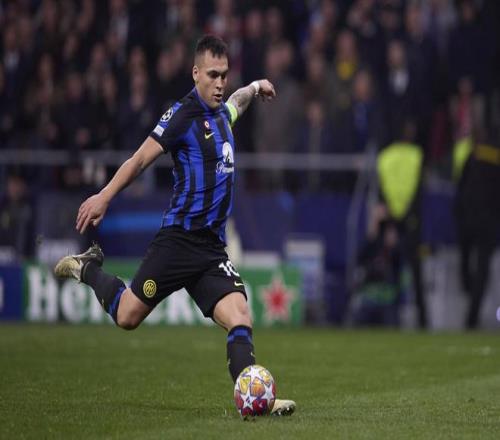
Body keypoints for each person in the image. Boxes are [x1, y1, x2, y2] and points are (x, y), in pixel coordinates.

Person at [54, 35, 295, 416]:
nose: (220, 83)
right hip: (178, 242)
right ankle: (87, 268)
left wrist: (254, 86)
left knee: (240, 317)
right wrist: (104, 195)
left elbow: (237, 103)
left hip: (211, 249)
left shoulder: (222, 113)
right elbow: (139, 160)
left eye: (224, 75)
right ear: (196, 73)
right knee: (127, 317)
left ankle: (253, 398)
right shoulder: (181, 116)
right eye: (213, 75)